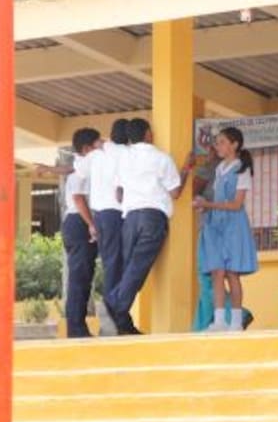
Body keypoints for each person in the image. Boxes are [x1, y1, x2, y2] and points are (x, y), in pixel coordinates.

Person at [104, 118, 193, 336]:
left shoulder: (123, 158)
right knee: (137, 268)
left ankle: (121, 321)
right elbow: (175, 193)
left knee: (128, 269)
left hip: (130, 218)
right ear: (148, 134)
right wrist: (186, 168)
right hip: (152, 217)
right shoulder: (161, 158)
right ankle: (113, 304)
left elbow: (118, 193)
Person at [195, 127, 259, 332]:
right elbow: (219, 198)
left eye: (222, 142)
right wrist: (203, 202)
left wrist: (209, 205)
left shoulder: (242, 168)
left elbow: (236, 204)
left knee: (232, 273)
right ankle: (220, 320)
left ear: (235, 145)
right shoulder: (220, 167)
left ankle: (236, 322)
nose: (218, 146)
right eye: (217, 142)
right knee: (216, 272)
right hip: (216, 225)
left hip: (233, 225)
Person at [88, 118, 130, 331]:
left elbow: (77, 168)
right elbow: (121, 189)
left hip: (99, 214)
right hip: (116, 212)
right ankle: (113, 314)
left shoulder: (97, 154)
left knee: (109, 263)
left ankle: (118, 317)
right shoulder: (124, 153)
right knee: (118, 264)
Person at [62, 128, 101, 338]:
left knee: (84, 276)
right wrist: (91, 224)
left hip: (79, 222)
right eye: (97, 144)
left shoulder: (82, 168)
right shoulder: (80, 170)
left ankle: (78, 326)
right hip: (79, 222)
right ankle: (75, 329)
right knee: (79, 277)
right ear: (87, 149)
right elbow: (78, 199)